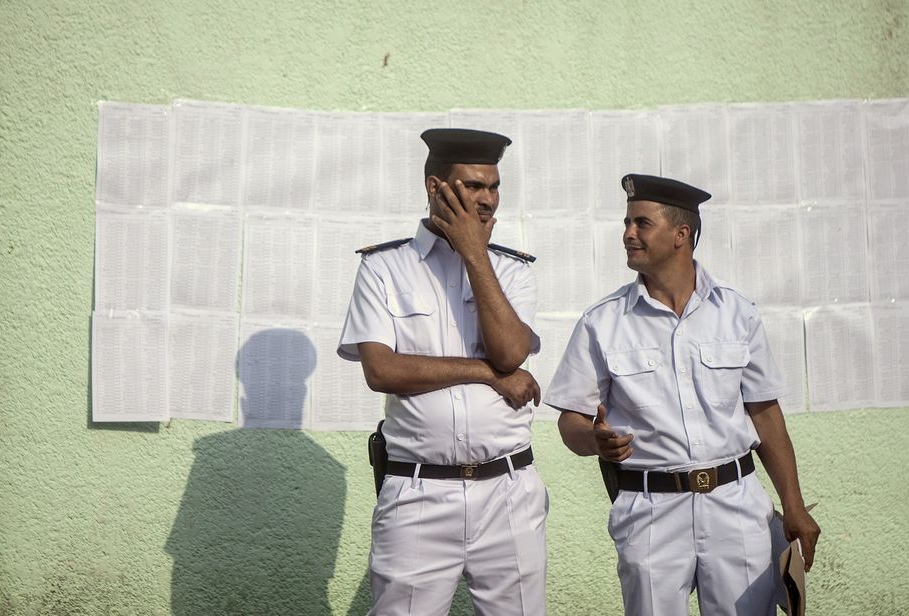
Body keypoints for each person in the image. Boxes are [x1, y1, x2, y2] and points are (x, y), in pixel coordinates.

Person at [544, 174, 820, 616]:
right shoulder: (602, 322)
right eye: (626, 223)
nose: (627, 235)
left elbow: (765, 414)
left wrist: (794, 507)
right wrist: (593, 441)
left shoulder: (737, 313)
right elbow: (570, 422)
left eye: (641, 223)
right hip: (650, 511)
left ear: (680, 234)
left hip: (736, 506)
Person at [338, 128, 547, 616]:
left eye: (494, 187)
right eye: (473, 187)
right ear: (436, 189)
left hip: (508, 490)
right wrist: (485, 373)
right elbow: (382, 369)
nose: (488, 200)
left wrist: (475, 253)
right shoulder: (384, 268)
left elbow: (511, 352)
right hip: (418, 493)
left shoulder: (511, 270)